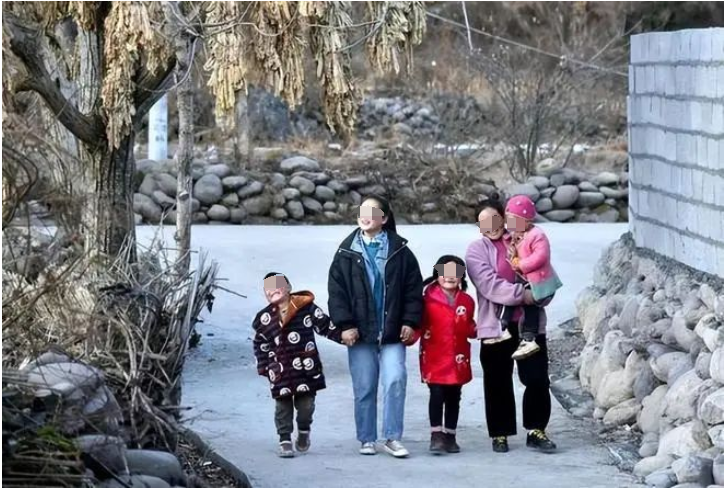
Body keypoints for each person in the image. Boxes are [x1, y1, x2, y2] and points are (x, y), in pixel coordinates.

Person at [327, 194, 423, 458]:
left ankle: (392, 437)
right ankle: (367, 438)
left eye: (372, 210)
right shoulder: (346, 252)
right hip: (359, 333)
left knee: (395, 380)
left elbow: (414, 290)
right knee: (365, 386)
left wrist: (409, 322)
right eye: (362, 210)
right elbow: (336, 293)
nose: (365, 214)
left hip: (392, 332)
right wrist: (345, 325)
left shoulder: (401, 252)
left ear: (384, 217)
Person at [465, 194, 557, 454]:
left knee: (537, 378)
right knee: (497, 381)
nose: (491, 225)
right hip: (495, 326)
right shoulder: (476, 250)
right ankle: (500, 433)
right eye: (484, 222)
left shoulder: (524, 237)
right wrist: (524, 295)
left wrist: (542, 291)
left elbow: (543, 268)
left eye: (496, 218)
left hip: (529, 323)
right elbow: (489, 285)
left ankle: (536, 429)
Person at [252, 272, 343, 458]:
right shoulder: (264, 319)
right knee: (282, 407)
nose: (273, 291)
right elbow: (260, 344)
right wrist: (264, 367)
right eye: (268, 289)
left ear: (288, 288)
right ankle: (284, 439)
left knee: (306, 406)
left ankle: (303, 430)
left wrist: (344, 336)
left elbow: (325, 326)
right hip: (280, 371)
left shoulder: (305, 308)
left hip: (306, 368)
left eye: (277, 286)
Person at [406, 255, 476, 455]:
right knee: (436, 394)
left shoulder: (467, 301)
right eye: (445, 273)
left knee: (454, 396)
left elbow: (469, 325)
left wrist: (482, 330)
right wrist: (409, 336)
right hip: (434, 355)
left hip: (458, 356)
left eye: (455, 274)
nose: (450, 277)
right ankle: (436, 435)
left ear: (462, 277)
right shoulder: (426, 300)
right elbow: (418, 324)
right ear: (437, 274)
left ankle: (450, 435)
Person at [499, 195, 562, 360]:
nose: (510, 225)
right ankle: (503, 326)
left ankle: (529, 337)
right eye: (509, 220)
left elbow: (541, 256)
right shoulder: (518, 234)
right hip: (527, 280)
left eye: (514, 220)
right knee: (513, 296)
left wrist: (521, 264)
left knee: (529, 304)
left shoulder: (537, 235)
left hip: (541, 284)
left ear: (526, 220)